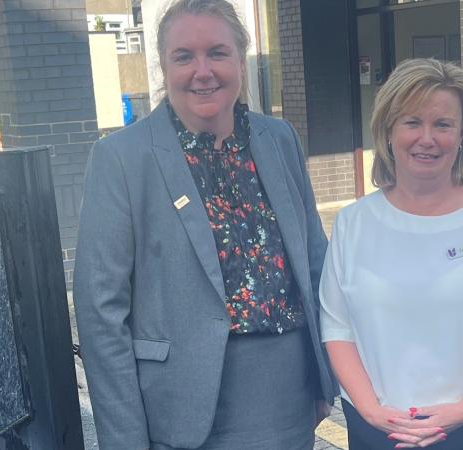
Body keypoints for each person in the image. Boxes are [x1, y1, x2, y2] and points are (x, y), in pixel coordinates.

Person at [73, 1, 333, 448]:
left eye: (217, 52)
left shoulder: (280, 139)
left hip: (288, 398)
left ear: (240, 58)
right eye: (184, 56)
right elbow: (100, 313)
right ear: (163, 66)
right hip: (181, 413)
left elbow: (315, 264)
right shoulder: (121, 158)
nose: (202, 70)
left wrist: (325, 376)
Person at [319, 58, 463, 450]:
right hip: (378, 428)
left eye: (443, 124)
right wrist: (371, 412)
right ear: (388, 132)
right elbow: (337, 328)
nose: (427, 138)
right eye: (411, 122)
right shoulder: (353, 222)